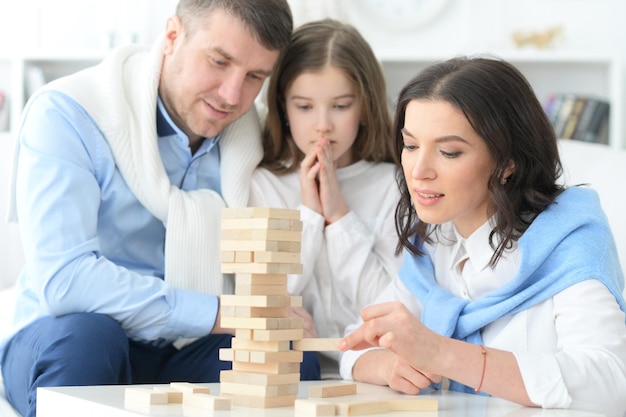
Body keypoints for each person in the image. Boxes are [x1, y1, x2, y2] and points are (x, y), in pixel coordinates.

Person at [1, 2, 320, 417]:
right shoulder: (68, 113)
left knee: (287, 354)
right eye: (219, 62)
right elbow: (66, 281)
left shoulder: (252, 138)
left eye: (255, 77)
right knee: (90, 339)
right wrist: (226, 311)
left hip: (181, 349)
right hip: (71, 334)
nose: (232, 96)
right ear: (172, 37)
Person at [338, 56, 626, 416]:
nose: (419, 171)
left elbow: (611, 383)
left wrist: (442, 354)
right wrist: (389, 367)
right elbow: (352, 344)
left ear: (507, 162)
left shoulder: (568, 241)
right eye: (411, 146)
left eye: (449, 152)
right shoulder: (434, 247)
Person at [249, 18, 403, 377]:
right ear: (282, 109)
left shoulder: (394, 185)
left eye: (340, 106)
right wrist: (308, 213)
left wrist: (339, 217)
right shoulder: (263, 184)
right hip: (292, 370)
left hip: (375, 372)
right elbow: (264, 301)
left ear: (365, 107)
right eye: (304, 107)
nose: (322, 125)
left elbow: (392, 308)